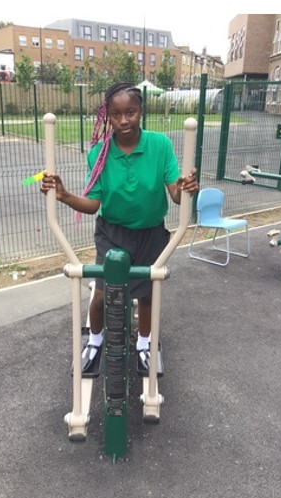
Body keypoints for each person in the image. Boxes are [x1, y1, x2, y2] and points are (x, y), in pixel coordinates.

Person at [40, 82, 199, 378]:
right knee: (103, 295)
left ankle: (143, 343)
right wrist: (64, 195)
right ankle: (95, 340)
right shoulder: (99, 154)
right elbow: (93, 204)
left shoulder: (160, 145)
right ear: (107, 116)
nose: (124, 120)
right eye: (116, 114)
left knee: (147, 294)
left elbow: (176, 195)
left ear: (141, 111)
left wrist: (186, 188)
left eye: (131, 112)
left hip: (151, 233)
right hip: (113, 234)